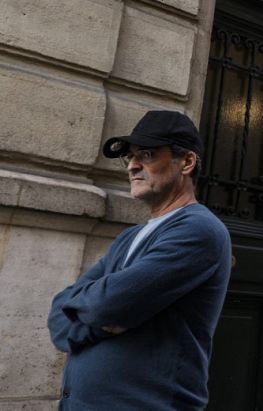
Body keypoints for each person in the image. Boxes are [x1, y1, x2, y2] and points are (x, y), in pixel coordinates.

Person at [48, 110, 231, 410]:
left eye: (146, 154)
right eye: (130, 157)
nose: (132, 166)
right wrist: (96, 320)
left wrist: (90, 312)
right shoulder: (128, 238)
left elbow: (109, 303)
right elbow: (58, 315)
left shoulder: (199, 230)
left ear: (186, 162)